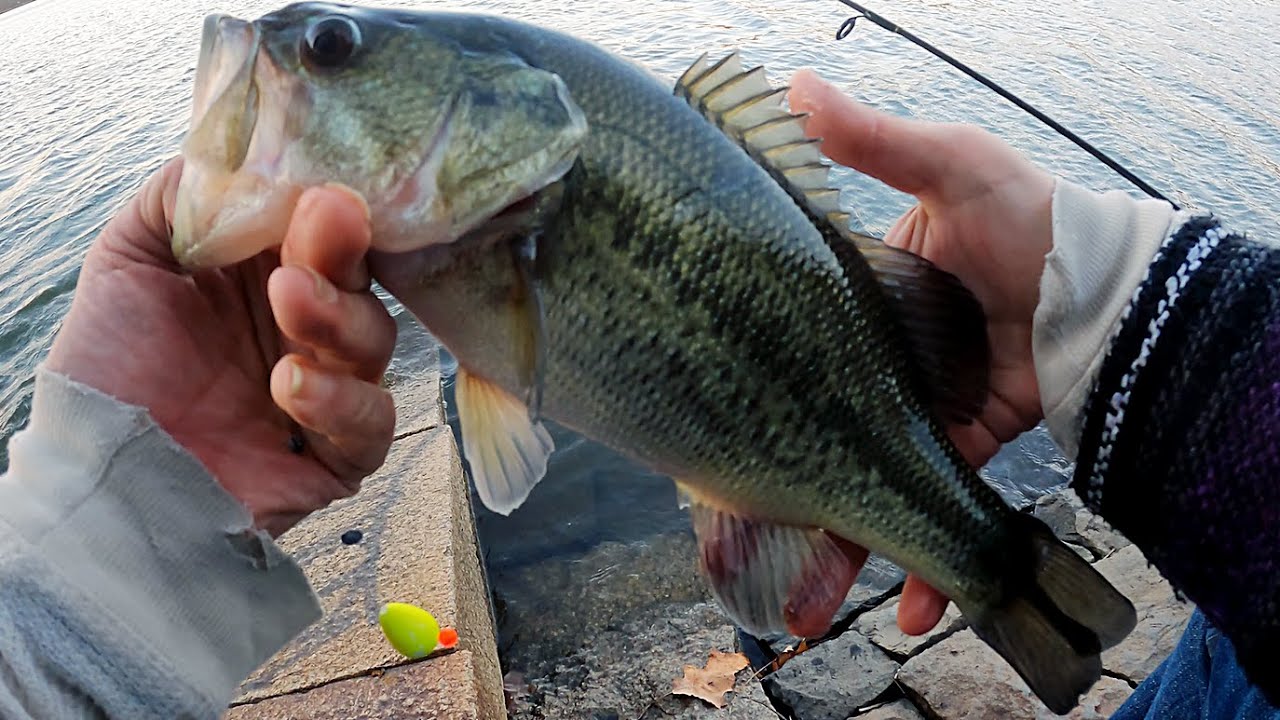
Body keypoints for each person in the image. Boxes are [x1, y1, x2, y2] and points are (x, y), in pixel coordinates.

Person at [0, 66, 1273, 717]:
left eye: (330, 49)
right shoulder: (474, 225)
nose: (288, 56)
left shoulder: (500, 219)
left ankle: (1012, 575)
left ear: (495, 118)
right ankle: (1024, 581)